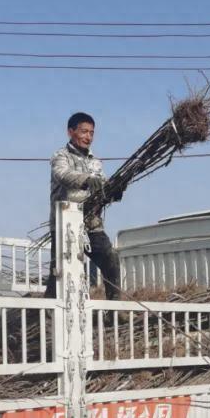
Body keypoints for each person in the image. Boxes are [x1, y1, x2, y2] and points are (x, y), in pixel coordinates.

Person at [46, 112, 122, 299]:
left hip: (91, 222)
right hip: (65, 222)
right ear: (70, 132)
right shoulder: (60, 156)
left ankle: (115, 306)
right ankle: (49, 310)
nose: (88, 137)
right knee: (61, 269)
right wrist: (87, 180)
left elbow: (101, 188)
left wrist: (115, 191)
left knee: (110, 257)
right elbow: (63, 175)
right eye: (84, 131)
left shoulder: (95, 162)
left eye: (92, 133)